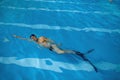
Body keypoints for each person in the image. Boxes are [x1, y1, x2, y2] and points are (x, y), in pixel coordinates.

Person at [13, 34, 98, 72]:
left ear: (35, 36)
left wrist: (56, 44)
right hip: (51, 48)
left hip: (52, 46)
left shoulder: (41, 38)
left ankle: (76, 53)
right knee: (62, 52)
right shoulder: (35, 42)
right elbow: (25, 39)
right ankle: (77, 53)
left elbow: (49, 39)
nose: (33, 38)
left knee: (60, 52)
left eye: (33, 37)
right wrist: (17, 37)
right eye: (32, 38)